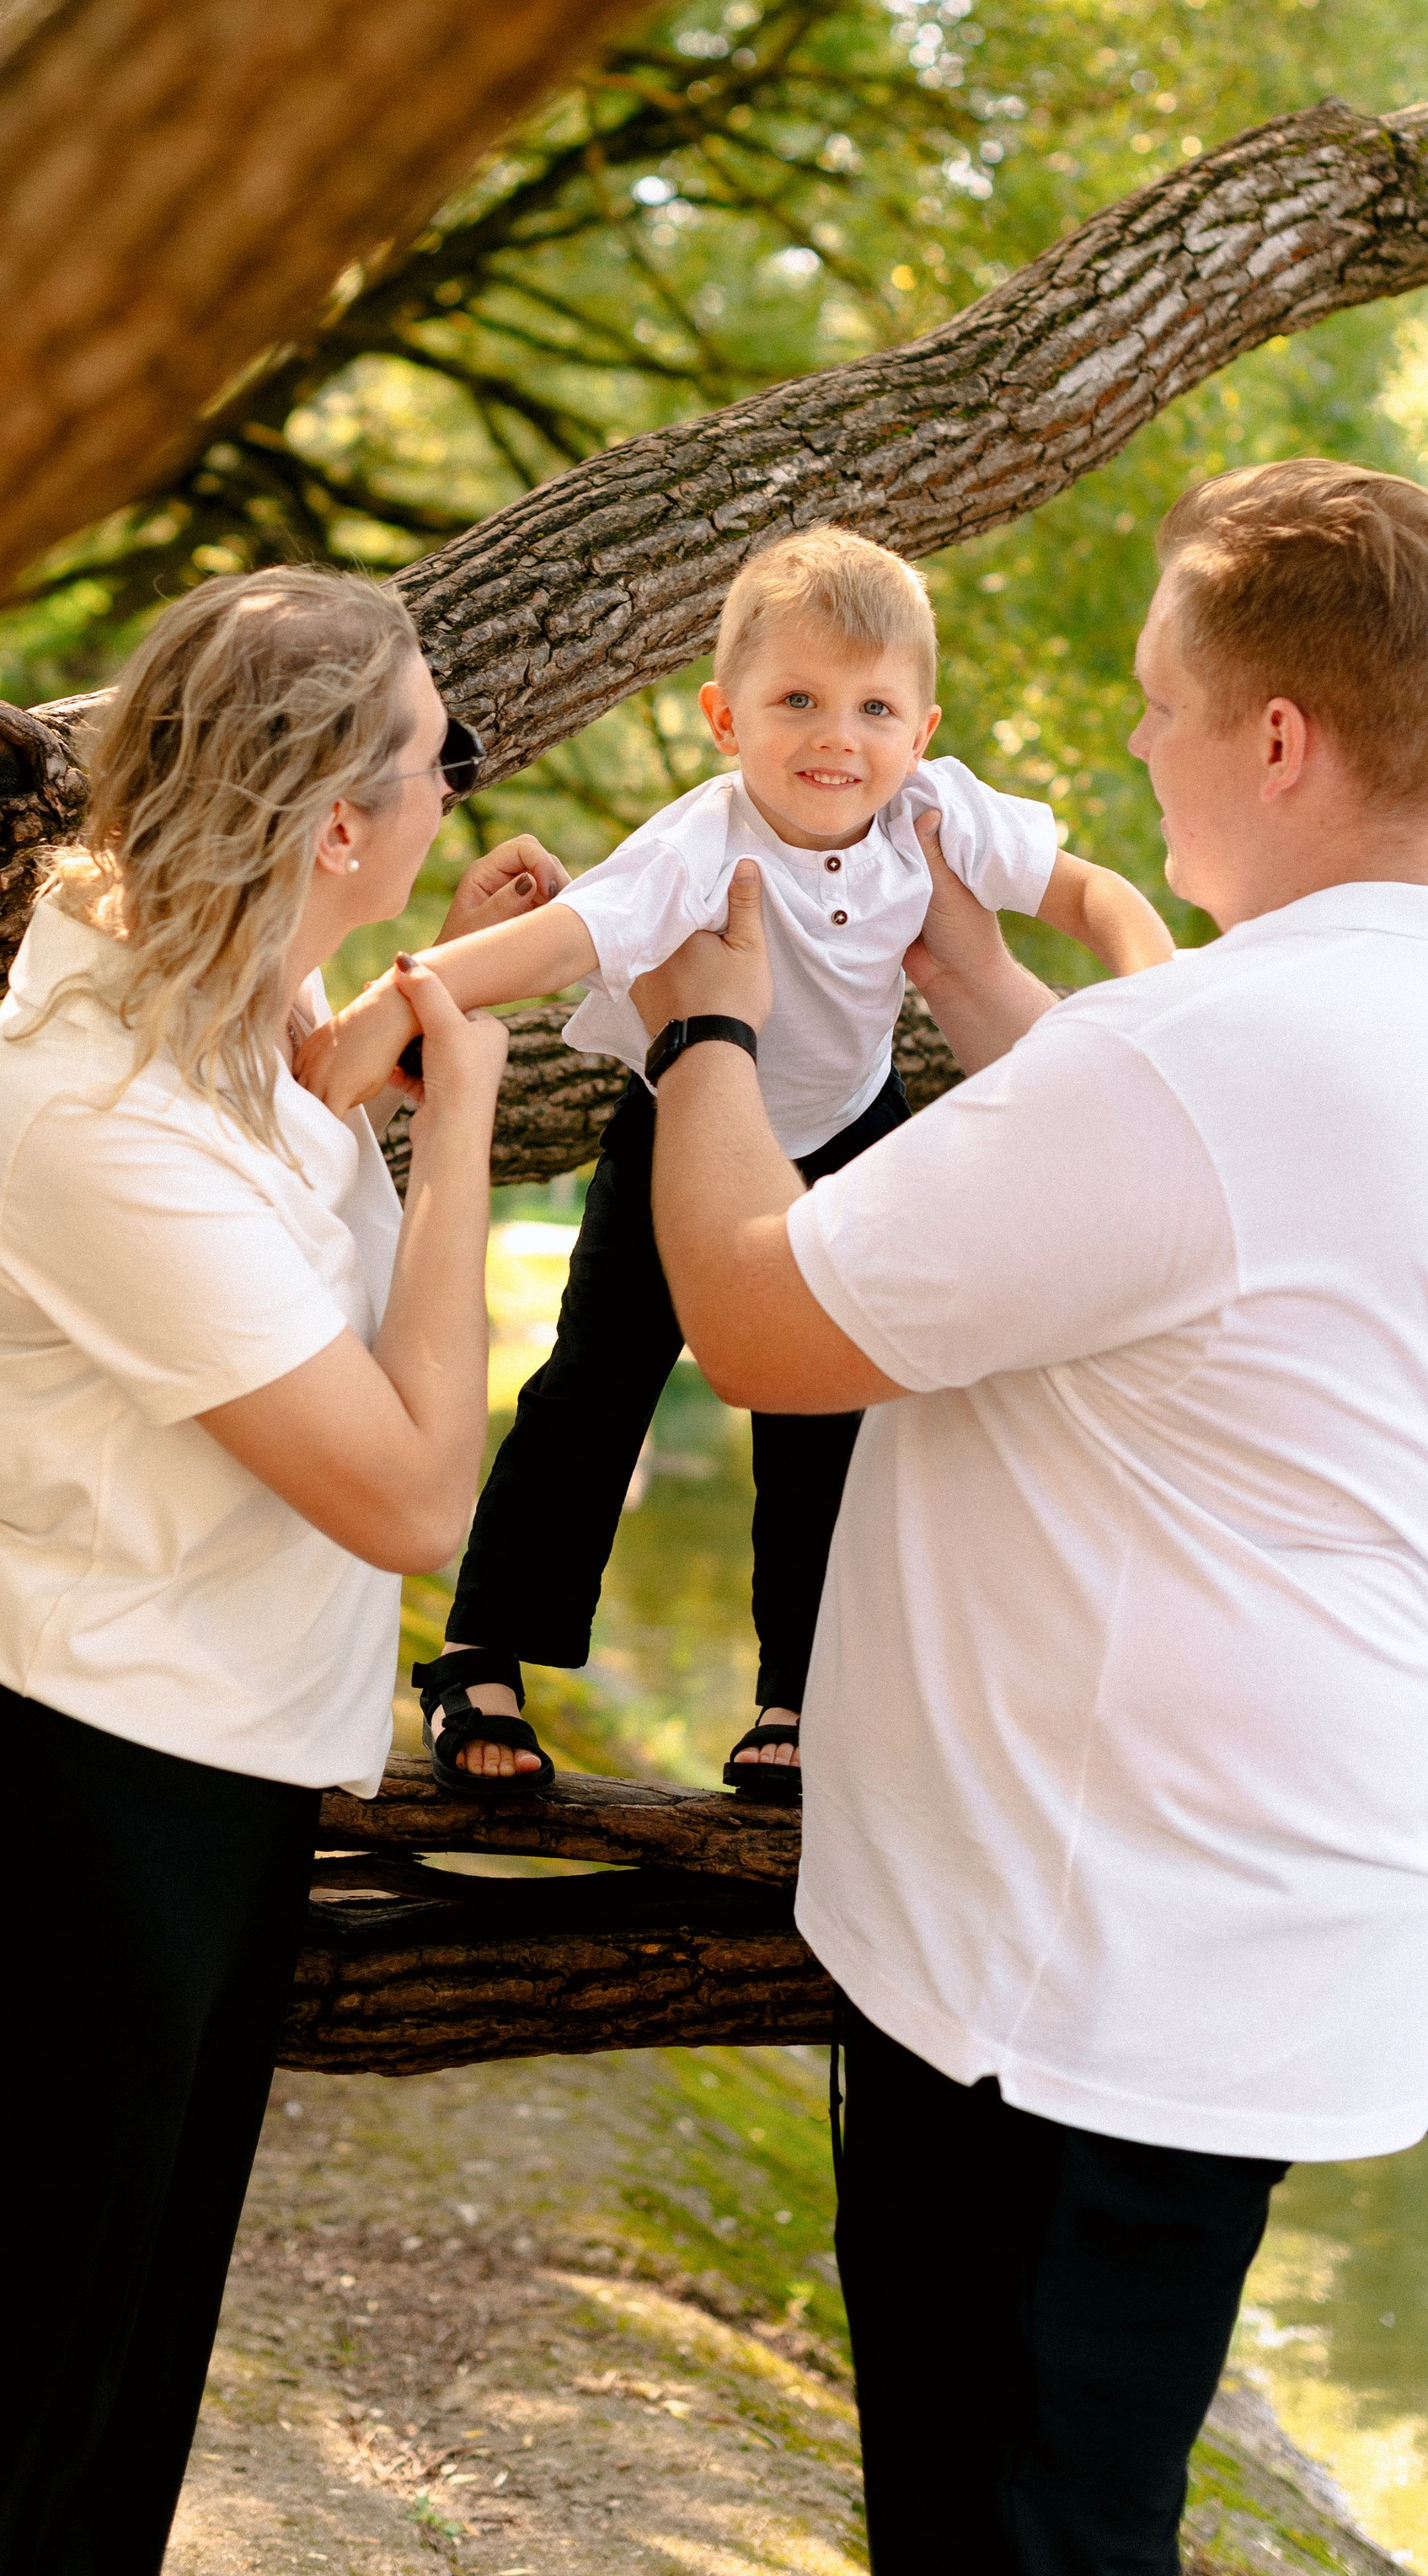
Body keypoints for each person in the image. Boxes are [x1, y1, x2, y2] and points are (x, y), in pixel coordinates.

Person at [628, 459, 1428, 2573]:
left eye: (1160, 705)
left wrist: (700, 1021)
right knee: (1083, 2507)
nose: (1131, 748)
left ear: (1277, 738)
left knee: (1004, 2532)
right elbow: (1163, 1173)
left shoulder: (1212, 1051)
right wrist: (985, 977)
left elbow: (748, 1311)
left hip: (1054, 1976)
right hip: (1244, 1932)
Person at [0, 568, 552, 2576]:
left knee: (78, 2410)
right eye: (444, 756)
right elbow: (416, 1497)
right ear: (336, 824)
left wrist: (413, 1016)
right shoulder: (100, 1101)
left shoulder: (219, 1000)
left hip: (182, 1796)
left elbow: (265, 1163)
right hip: (60, 1818)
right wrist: (469, 1137)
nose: (455, 786)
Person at [297, 527, 1174, 1802]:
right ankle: (480, 1652)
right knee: (598, 1381)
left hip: (847, 1132)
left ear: (923, 729)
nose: (839, 737)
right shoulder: (699, 844)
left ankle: (798, 1694)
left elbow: (1097, 901)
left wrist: (1160, 1006)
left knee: (830, 1413)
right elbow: (556, 944)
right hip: (681, 1127)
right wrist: (400, 995)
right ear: (725, 718)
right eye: (798, 702)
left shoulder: (935, 813)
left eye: (876, 708)